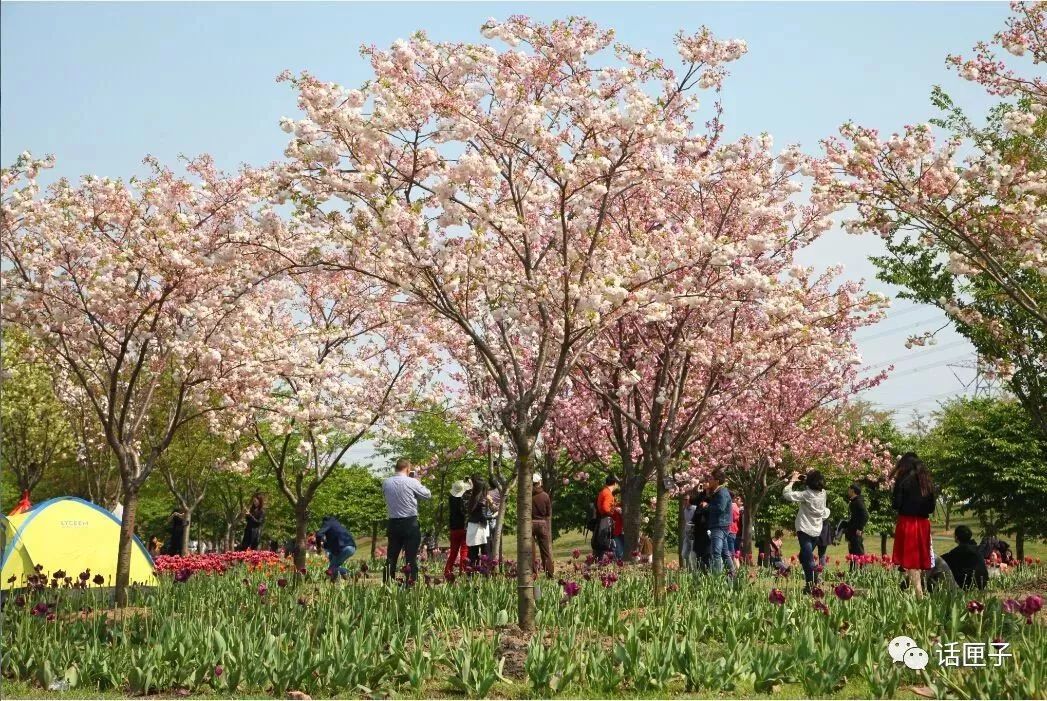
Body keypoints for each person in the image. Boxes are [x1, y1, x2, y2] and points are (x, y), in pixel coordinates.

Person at [891, 452, 936, 597]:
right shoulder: (926, 481)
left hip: (907, 522)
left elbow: (896, 504)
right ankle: (912, 588)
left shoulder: (903, 480)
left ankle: (918, 593)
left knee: (911, 560)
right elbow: (931, 507)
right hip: (923, 523)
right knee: (918, 559)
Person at [382, 458, 432, 585]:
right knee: (411, 557)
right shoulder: (412, 482)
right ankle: (411, 583)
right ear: (408, 469)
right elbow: (427, 495)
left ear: (396, 468)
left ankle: (387, 583)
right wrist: (418, 482)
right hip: (410, 523)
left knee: (391, 557)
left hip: (393, 523)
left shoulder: (386, 482)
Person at [783, 469, 830, 593]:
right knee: (804, 556)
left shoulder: (806, 494)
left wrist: (792, 481)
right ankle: (810, 584)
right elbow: (814, 489)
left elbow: (787, 494)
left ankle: (812, 584)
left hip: (804, 529)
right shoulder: (823, 493)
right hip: (817, 529)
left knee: (807, 559)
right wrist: (807, 480)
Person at [706, 470, 736, 576]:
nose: (709, 481)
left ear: (717, 481)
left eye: (711, 479)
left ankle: (717, 577)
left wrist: (707, 506)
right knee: (724, 553)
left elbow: (720, 508)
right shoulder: (717, 492)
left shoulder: (722, 492)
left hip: (720, 525)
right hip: (719, 525)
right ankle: (733, 575)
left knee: (716, 552)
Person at [942, 525, 989, 590]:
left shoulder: (958, 551)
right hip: (983, 582)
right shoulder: (976, 548)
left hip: (969, 584)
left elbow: (943, 560)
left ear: (956, 537)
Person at [315, 515, 357, 580]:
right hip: (352, 548)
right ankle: (337, 578)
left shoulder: (328, 523)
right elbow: (330, 545)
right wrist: (323, 546)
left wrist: (318, 547)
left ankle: (352, 573)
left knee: (331, 569)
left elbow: (318, 535)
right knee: (333, 565)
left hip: (343, 548)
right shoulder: (337, 526)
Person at [444, 479, 470, 579]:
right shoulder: (465, 499)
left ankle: (447, 571)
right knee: (464, 550)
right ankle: (462, 572)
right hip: (463, 527)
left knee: (453, 552)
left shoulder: (451, 499)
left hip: (453, 528)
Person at [596, 475, 625, 559]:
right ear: (615, 483)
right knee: (613, 542)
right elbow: (606, 508)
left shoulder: (603, 491)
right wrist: (615, 511)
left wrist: (616, 505)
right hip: (608, 520)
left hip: (603, 519)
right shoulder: (608, 493)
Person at [531, 473, 554, 577]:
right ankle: (549, 574)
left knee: (530, 551)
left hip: (530, 524)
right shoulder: (545, 495)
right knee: (545, 551)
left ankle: (533, 574)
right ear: (539, 482)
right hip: (542, 523)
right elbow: (548, 513)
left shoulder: (527, 496)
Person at [842, 483, 868, 570]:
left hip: (856, 532)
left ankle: (861, 571)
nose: (848, 491)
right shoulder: (854, 501)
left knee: (858, 552)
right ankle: (852, 571)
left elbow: (865, 515)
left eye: (849, 489)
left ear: (853, 490)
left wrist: (860, 528)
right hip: (852, 531)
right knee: (852, 553)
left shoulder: (858, 502)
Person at [690, 486, 712, 570]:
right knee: (698, 553)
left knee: (707, 553)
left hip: (708, 529)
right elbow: (692, 501)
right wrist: (697, 488)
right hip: (698, 529)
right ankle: (700, 572)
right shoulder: (701, 496)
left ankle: (708, 571)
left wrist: (707, 506)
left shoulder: (714, 496)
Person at [484, 479, 501, 559]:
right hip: (496, 517)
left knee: (488, 540)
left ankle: (489, 558)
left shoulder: (487, 492)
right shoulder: (501, 491)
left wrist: (490, 502)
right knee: (496, 539)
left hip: (489, 517)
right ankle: (496, 558)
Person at [681, 495, 698, 569]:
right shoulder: (685, 510)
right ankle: (688, 570)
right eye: (684, 499)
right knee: (684, 554)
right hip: (687, 533)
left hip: (693, 534)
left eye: (686, 499)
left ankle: (694, 570)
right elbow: (686, 521)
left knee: (693, 553)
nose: (685, 501)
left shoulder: (695, 508)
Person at [728, 495, 742, 570]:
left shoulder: (732, 506)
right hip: (733, 531)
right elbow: (736, 517)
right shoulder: (734, 506)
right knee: (733, 552)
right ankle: (736, 569)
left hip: (731, 531)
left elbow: (735, 517)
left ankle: (735, 569)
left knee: (732, 552)